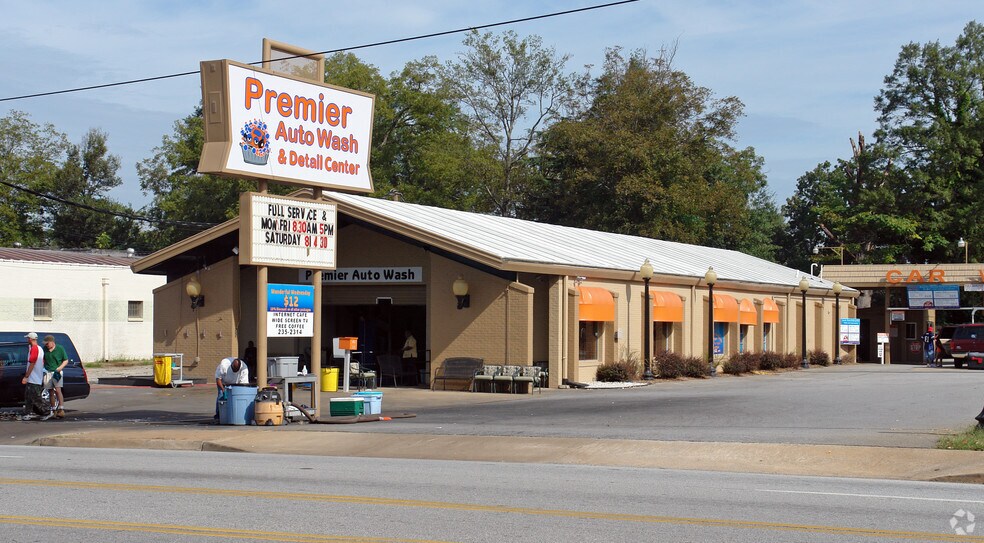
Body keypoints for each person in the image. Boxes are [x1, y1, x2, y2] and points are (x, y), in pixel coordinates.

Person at [20, 332, 50, 420]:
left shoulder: (34, 349)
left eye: (27, 338)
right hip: (34, 377)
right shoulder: (40, 348)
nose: (27, 340)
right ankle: (27, 413)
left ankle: (46, 412)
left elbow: (32, 363)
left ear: (30, 339)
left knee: (36, 398)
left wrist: (26, 376)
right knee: (28, 397)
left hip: (34, 378)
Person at [214, 357, 249, 421]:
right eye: (233, 369)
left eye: (236, 370)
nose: (234, 371)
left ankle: (234, 414)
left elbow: (243, 385)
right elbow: (218, 379)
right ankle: (218, 416)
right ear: (231, 365)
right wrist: (223, 389)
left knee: (235, 398)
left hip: (235, 384)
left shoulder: (244, 369)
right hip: (223, 382)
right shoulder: (224, 365)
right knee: (221, 396)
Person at [43, 334, 69, 419]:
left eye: (47, 344)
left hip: (57, 372)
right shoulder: (45, 349)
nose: (46, 345)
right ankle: (53, 409)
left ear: (52, 342)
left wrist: (60, 368)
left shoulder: (60, 348)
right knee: (50, 391)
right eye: (45, 344)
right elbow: (42, 360)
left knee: (58, 390)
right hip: (48, 371)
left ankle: (61, 409)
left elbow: (65, 360)